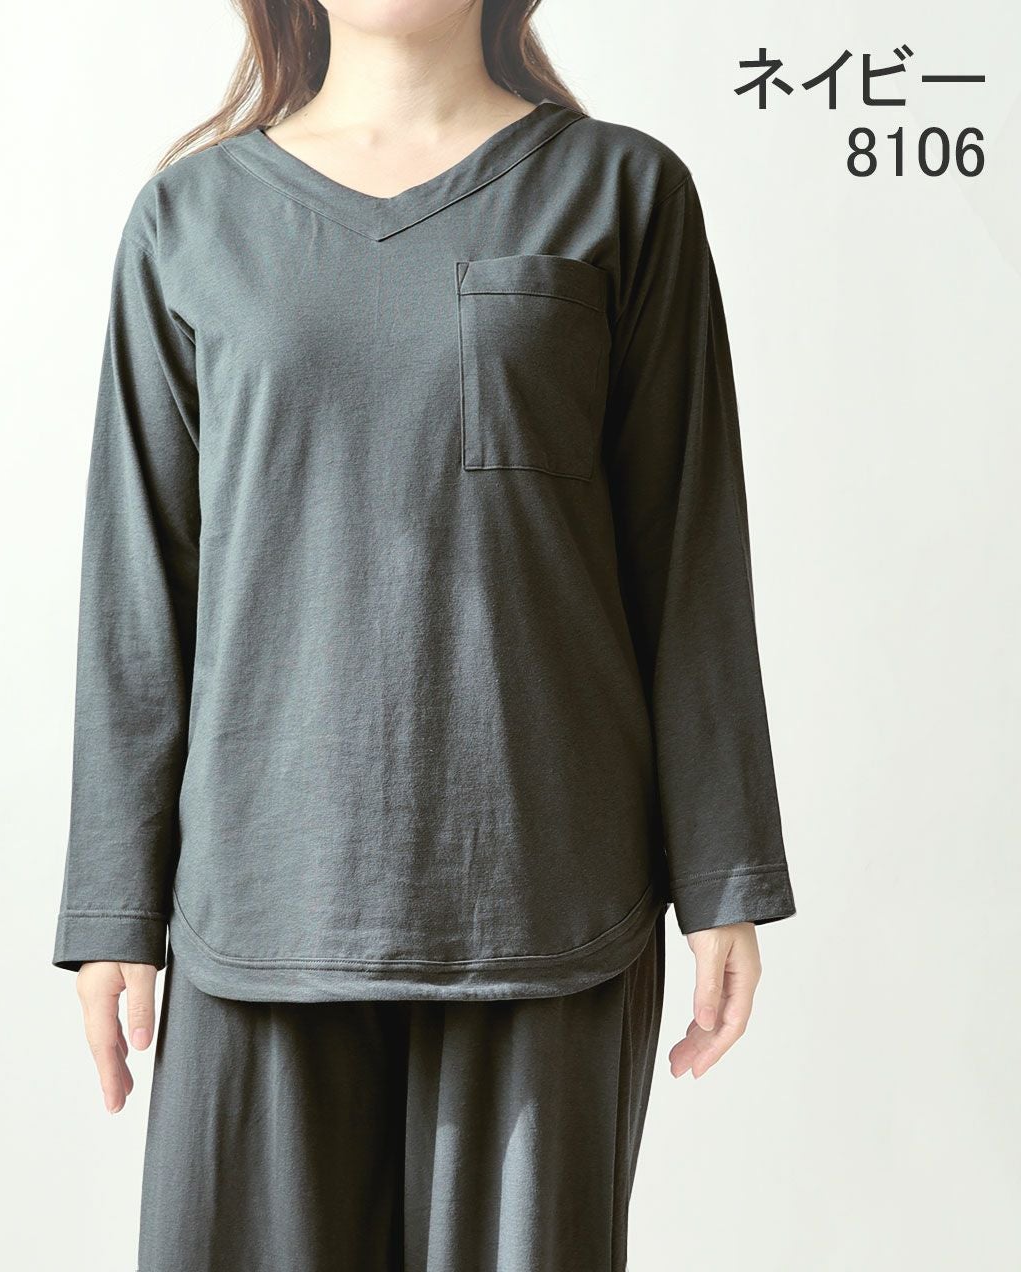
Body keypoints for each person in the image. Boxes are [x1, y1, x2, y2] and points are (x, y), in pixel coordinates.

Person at [51, 1, 799, 1267]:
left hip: (547, 898)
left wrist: (724, 874)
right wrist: (114, 906)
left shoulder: (622, 194)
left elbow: (688, 551)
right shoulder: (190, 220)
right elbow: (139, 584)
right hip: (262, 908)